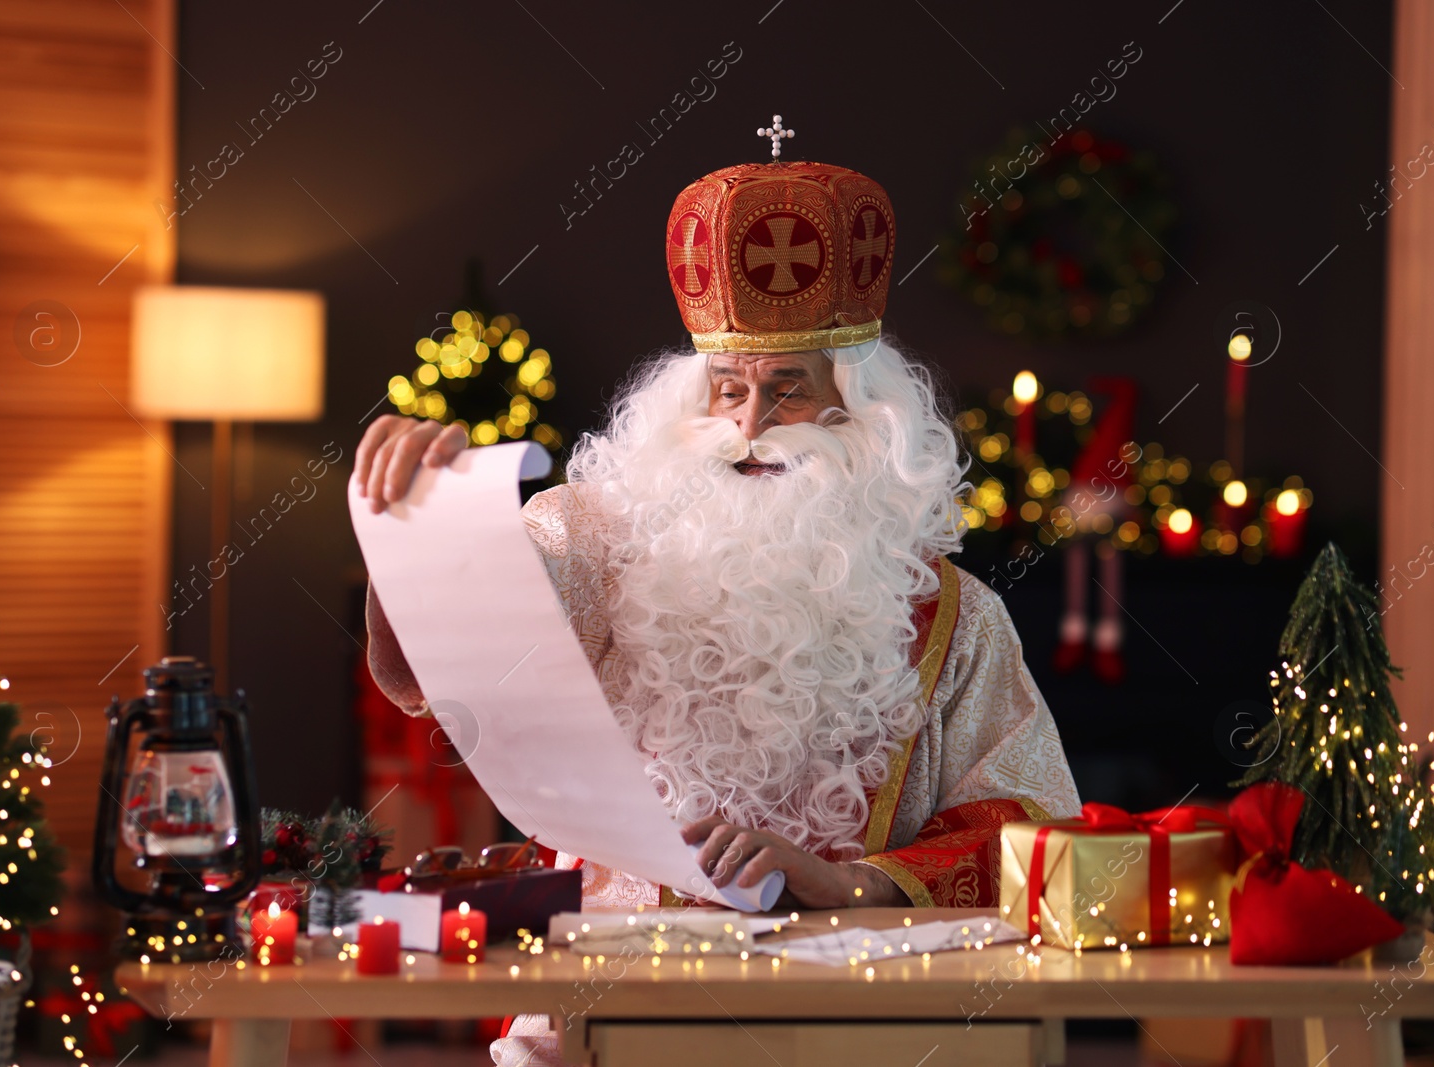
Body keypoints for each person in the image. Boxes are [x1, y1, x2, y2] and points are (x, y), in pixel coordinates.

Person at [358, 127, 1080, 1066]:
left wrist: (843, 881)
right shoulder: (595, 538)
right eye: (727, 387)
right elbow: (461, 646)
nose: (747, 427)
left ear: (864, 416)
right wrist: (418, 515)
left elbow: (1033, 838)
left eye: (788, 391)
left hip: (859, 1025)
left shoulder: (954, 616)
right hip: (605, 1001)